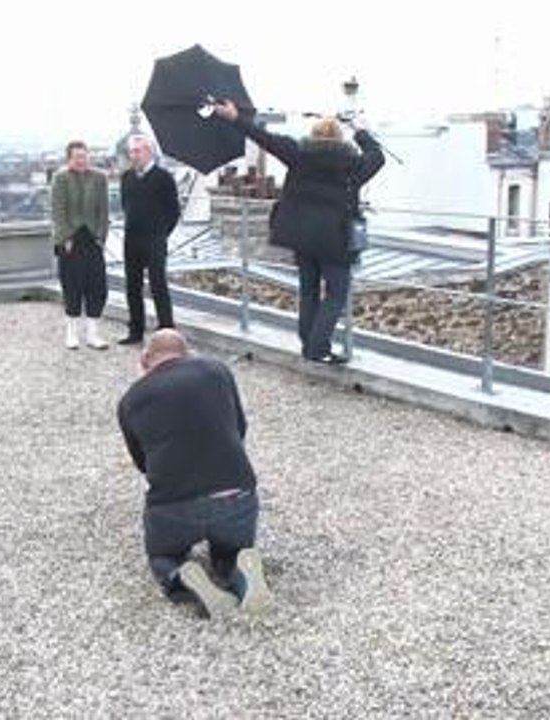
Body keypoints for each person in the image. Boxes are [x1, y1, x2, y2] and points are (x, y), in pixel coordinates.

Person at [213, 99, 385, 364]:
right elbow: (377, 156)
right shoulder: (352, 165)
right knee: (338, 292)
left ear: (313, 136)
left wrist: (235, 117)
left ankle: (309, 345)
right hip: (336, 240)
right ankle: (318, 347)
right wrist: (360, 130)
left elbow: (263, 137)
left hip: (302, 237)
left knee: (309, 291)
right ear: (341, 138)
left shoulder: (298, 153)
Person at [117, 329, 272, 619]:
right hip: (236, 495)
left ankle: (182, 576)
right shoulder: (217, 371)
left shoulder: (130, 401)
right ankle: (239, 570)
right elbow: (239, 429)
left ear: (144, 359)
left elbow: (143, 464)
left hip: (174, 504)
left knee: (163, 555)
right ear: (187, 354)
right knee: (228, 553)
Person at [118, 135, 181, 345]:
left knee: (158, 285)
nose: (134, 156)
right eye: (132, 152)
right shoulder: (126, 177)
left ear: (149, 151)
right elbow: (126, 206)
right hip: (131, 238)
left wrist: (161, 234)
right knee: (132, 286)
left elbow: (174, 211)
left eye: (138, 151)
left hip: (154, 239)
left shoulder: (163, 178)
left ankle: (167, 331)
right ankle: (135, 331)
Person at [50, 140, 110, 350]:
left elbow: (104, 210)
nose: (82, 160)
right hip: (70, 239)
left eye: (84, 156)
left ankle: (93, 334)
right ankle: (72, 333)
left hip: (92, 238)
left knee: (97, 286)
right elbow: (58, 211)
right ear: (69, 159)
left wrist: (102, 237)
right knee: (72, 286)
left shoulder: (100, 178)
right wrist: (66, 237)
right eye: (77, 157)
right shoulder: (61, 178)